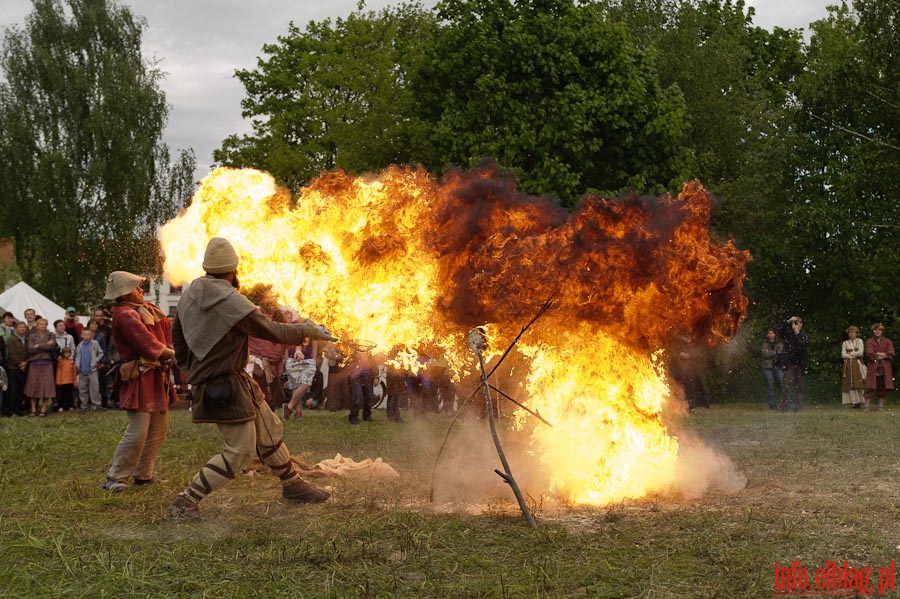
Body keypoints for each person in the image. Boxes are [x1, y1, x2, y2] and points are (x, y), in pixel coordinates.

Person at [167, 237, 337, 519]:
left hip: (233, 380)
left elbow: (178, 337)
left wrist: (190, 370)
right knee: (239, 452)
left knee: (269, 429)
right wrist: (306, 329)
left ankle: (292, 484)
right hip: (222, 385)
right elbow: (270, 330)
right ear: (233, 269)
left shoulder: (192, 292)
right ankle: (186, 500)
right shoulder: (230, 302)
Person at [101, 271, 177, 492]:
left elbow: (165, 334)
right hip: (139, 375)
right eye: (136, 287)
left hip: (155, 374)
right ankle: (115, 477)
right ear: (125, 293)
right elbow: (147, 344)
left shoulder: (147, 310)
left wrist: (173, 350)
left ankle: (143, 474)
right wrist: (173, 355)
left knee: (158, 428)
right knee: (138, 430)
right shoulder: (125, 314)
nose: (141, 290)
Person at [667, 334, 710, 411]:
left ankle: (691, 406)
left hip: (691, 369)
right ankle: (677, 404)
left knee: (691, 386)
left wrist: (690, 355)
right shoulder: (677, 340)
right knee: (678, 386)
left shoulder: (696, 339)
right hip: (679, 369)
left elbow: (699, 352)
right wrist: (679, 354)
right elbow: (673, 351)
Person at [777, 316, 809, 411]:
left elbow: (802, 345)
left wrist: (797, 332)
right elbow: (779, 329)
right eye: (794, 323)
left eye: (797, 323)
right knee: (785, 386)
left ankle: (799, 405)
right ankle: (784, 405)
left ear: (801, 324)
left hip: (800, 365)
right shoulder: (788, 335)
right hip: (789, 364)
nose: (795, 325)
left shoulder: (804, 335)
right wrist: (788, 321)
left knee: (800, 387)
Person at [283, 335, 318, 419]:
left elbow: (314, 354)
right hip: (293, 361)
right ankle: (298, 412)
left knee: (306, 383)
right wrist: (287, 361)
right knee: (296, 386)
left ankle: (289, 406)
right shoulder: (293, 334)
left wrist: (314, 364)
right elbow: (286, 349)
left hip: (307, 361)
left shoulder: (314, 338)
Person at [864, 323, 894, 412]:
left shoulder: (888, 341)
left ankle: (880, 407)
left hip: (885, 367)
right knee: (870, 386)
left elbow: (891, 353)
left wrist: (879, 354)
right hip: (873, 367)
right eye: (875, 330)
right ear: (873, 331)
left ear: (882, 331)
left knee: (884, 386)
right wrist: (883, 354)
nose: (877, 332)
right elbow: (870, 354)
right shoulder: (870, 341)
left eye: (879, 330)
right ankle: (867, 406)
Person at [75, 328, 105, 411]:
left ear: (91, 336)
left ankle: (96, 404)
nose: (87, 336)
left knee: (95, 388)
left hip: (92, 370)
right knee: (82, 389)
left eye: (89, 334)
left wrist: (96, 360)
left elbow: (101, 352)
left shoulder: (95, 343)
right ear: (81, 335)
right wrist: (77, 365)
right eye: (85, 334)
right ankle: (84, 405)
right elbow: (77, 356)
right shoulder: (79, 346)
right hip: (82, 370)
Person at [4, 321, 28, 416]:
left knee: (20, 390)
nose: (22, 329)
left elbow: (29, 353)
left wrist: (26, 363)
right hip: (13, 368)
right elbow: (11, 353)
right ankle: (10, 410)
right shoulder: (11, 340)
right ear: (16, 329)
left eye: (23, 327)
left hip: (24, 368)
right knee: (12, 390)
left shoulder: (27, 340)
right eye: (20, 327)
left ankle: (18, 409)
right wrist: (20, 363)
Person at [841, 325, 866, 408]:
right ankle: (854, 402)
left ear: (856, 333)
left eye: (853, 332)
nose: (851, 334)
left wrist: (850, 354)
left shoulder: (859, 341)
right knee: (850, 382)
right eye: (850, 332)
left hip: (857, 364)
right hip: (848, 364)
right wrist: (854, 354)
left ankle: (860, 401)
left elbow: (861, 353)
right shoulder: (845, 343)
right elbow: (843, 355)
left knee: (858, 381)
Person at [760, 328, 784, 410]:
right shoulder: (764, 343)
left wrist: (770, 353)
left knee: (782, 384)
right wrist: (774, 353)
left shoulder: (779, 343)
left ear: (775, 334)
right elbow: (764, 353)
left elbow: (780, 352)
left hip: (777, 366)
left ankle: (784, 403)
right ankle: (773, 405)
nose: (770, 335)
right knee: (770, 386)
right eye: (769, 333)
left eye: (772, 333)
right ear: (767, 335)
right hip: (767, 367)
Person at [348, 349, 375, 424]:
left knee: (369, 397)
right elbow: (349, 362)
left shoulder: (371, 352)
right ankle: (353, 416)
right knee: (357, 396)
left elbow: (374, 364)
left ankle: (367, 415)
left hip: (367, 377)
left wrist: (376, 376)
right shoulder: (354, 351)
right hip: (356, 377)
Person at [55, 347, 77, 411]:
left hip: (70, 381)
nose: (67, 354)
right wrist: (58, 381)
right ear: (63, 354)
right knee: (61, 395)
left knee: (70, 394)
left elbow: (74, 372)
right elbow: (58, 372)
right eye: (65, 353)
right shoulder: (61, 362)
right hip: (62, 382)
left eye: (68, 353)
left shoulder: (72, 362)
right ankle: (60, 406)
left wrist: (75, 381)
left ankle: (70, 405)